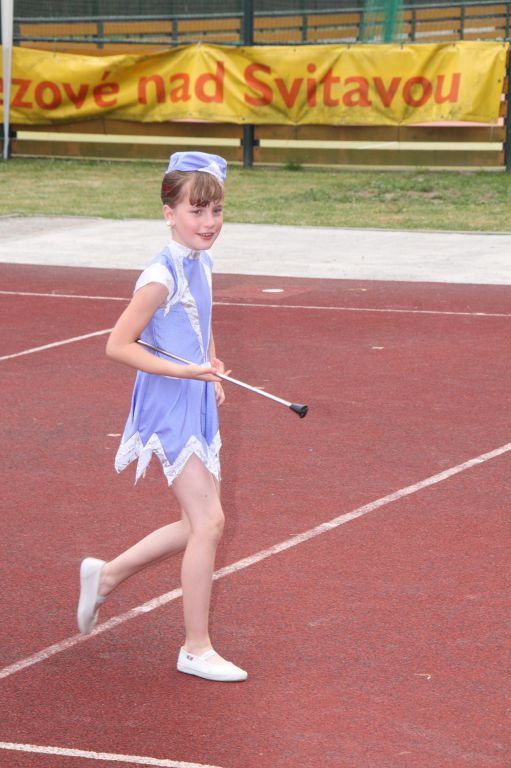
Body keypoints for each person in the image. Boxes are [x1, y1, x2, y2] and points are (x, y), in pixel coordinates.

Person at [76, 151, 247, 683]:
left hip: (193, 394)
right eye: (197, 211)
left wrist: (211, 363)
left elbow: (202, 321)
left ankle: (108, 575)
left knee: (196, 522)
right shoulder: (160, 274)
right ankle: (195, 648)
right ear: (169, 213)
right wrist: (184, 372)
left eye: (216, 210)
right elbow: (118, 344)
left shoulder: (202, 262)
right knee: (209, 522)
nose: (209, 222)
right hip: (169, 402)